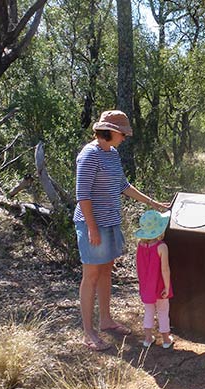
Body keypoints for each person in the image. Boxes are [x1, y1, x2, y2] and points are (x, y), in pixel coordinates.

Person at [74, 110, 168, 352]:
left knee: (106, 271)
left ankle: (106, 321)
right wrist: (92, 228)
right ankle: (88, 332)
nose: (125, 138)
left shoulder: (112, 154)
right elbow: (82, 195)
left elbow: (123, 185)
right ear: (111, 131)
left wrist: (152, 203)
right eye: (123, 133)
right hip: (92, 224)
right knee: (91, 275)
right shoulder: (89, 155)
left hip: (111, 221)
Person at [135, 210, 174, 349]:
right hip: (160, 285)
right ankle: (166, 339)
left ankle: (147, 338)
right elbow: (165, 269)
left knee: (149, 311)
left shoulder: (139, 246)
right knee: (163, 311)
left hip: (146, 285)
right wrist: (167, 287)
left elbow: (138, 265)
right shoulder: (162, 246)